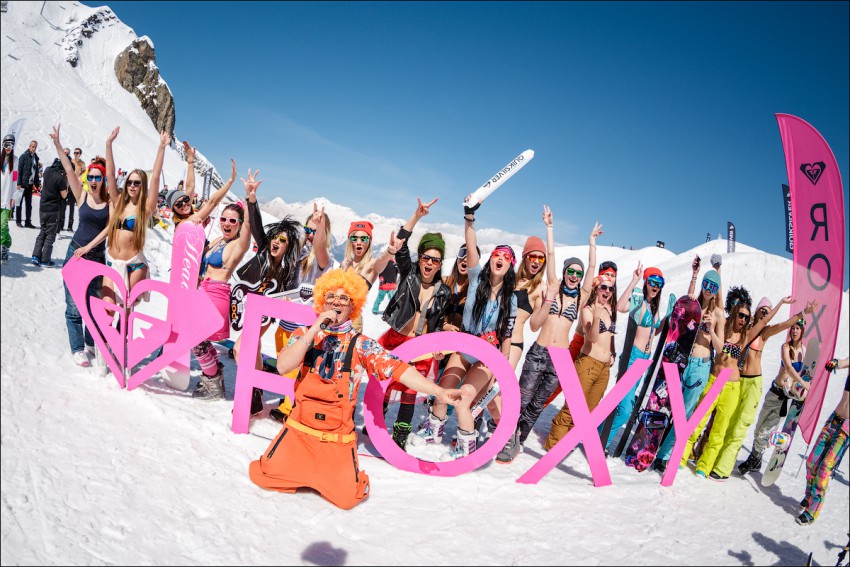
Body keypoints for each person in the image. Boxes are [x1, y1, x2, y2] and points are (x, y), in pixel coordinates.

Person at [248, 268, 464, 509]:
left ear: (353, 306)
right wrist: (315, 328)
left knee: (347, 498)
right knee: (264, 475)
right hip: (299, 433)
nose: (336, 302)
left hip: (335, 440)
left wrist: (438, 391)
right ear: (322, 301)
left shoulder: (361, 345)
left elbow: (399, 369)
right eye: (331, 296)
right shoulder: (305, 334)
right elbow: (283, 365)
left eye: (344, 298)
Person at [411, 197, 517, 459]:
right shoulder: (476, 279)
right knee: (443, 391)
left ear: (510, 266)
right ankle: (432, 433)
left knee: (463, 398)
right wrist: (469, 217)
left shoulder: (511, 299)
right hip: (464, 346)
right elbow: (470, 245)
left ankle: (465, 447)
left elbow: (507, 336)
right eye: (497, 255)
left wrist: (501, 368)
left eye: (506, 257)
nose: (500, 258)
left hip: (487, 356)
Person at [494, 220, 601, 464]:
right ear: (564, 272)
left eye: (578, 273)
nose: (574, 276)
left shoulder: (582, 296)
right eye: (571, 271)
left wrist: (592, 242)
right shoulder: (553, 287)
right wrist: (550, 228)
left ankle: (518, 440)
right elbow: (550, 255)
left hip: (560, 359)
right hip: (539, 351)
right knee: (522, 398)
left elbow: (592, 266)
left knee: (537, 404)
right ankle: (507, 435)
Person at [677, 291, 789, 480]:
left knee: (719, 430)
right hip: (715, 380)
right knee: (697, 421)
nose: (743, 320)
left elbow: (764, 321)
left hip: (732, 387)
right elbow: (719, 302)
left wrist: (781, 303)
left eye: (746, 317)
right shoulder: (724, 327)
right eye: (741, 315)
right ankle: (681, 457)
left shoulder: (746, 336)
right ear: (735, 314)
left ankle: (705, 466)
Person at [378, 197, 452, 448]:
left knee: (410, 392)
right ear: (419, 258)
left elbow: (438, 324)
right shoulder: (409, 274)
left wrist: (439, 344)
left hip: (420, 348)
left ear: (440, 264)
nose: (429, 263)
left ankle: (400, 435)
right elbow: (400, 244)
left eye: (435, 260)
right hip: (396, 340)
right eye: (426, 257)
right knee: (386, 384)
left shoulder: (444, 292)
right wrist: (416, 216)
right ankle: (376, 422)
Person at [652, 258, 726, 471]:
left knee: (684, 413)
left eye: (713, 287)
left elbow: (720, 348)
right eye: (706, 284)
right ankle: (652, 445)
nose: (708, 289)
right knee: (666, 405)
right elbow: (685, 304)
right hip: (682, 361)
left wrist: (711, 329)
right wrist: (694, 275)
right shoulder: (695, 305)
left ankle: (664, 456)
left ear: (717, 290)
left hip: (700, 366)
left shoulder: (718, 314)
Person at [732, 297, 818, 475]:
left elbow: (807, 375)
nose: (794, 330)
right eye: (793, 328)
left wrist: (802, 388)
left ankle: (753, 458)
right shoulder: (785, 347)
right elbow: (788, 367)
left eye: (798, 328)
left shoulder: (804, 352)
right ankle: (758, 459)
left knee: (764, 431)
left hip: (784, 397)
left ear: (803, 331)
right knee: (758, 428)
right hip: (772, 391)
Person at [189, 169, 253, 401]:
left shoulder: (237, 245)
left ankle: (213, 382)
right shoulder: (217, 240)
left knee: (196, 339)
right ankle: (214, 378)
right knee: (198, 339)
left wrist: (250, 199)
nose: (226, 223)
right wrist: (198, 223)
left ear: (239, 224)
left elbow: (248, 228)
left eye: (232, 221)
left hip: (217, 294)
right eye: (224, 219)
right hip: (202, 291)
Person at [544, 255, 619, 451]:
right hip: (588, 363)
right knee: (573, 408)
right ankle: (553, 446)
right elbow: (592, 338)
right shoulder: (588, 309)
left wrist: (612, 353)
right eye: (603, 287)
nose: (607, 291)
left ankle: (567, 442)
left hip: (604, 368)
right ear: (596, 289)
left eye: (610, 288)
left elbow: (609, 336)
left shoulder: (611, 310)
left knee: (588, 412)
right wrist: (596, 317)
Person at [50, 125, 110, 367]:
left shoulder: (110, 202)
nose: (93, 180)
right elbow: (68, 168)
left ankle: (90, 342)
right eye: (91, 177)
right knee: (74, 305)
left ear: (104, 179)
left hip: (97, 257)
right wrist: (57, 143)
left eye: (98, 177)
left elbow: (109, 229)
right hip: (76, 253)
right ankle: (77, 348)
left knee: (95, 304)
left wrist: (90, 247)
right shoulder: (82, 195)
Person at [600, 264, 668, 451]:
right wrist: (634, 280)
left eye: (659, 283)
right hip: (633, 358)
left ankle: (597, 433)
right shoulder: (638, 302)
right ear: (646, 282)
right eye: (652, 281)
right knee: (625, 409)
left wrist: (665, 319)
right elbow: (620, 306)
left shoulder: (654, 308)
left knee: (619, 402)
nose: (655, 286)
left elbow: (652, 333)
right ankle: (602, 442)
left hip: (644, 361)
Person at [797, 357, 849, 525]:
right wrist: (835, 363)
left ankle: (811, 512)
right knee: (812, 461)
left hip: (846, 429)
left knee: (825, 468)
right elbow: (843, 362)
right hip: (834, 419)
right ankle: (809, 496)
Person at [30, 154, 68, 266]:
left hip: (43, 206)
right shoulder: (60, 178)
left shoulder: (47, 171)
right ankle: (45, 259)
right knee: (50, 234)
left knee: (43, 231)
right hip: (53, 208)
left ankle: (35, 256)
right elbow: (64, 195)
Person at [1, 134, 19, 262]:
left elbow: (14, 180)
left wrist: (13, 196)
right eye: (7, 145)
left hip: (6, 198)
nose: (9, 148)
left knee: (3, 226)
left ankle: (5, 246)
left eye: (11, 145)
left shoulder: (15, 160)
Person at [15, 139, 39, 228]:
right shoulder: (24, 156)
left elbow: (36, 172)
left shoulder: (36, 158)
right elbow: (19, 170)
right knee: (19, 203)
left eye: (35, 147)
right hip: (22, 184)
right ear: (29, 146)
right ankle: (18, 221)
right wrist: (18, 183)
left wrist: (37, 183)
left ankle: (28, 222)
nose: (34, 148)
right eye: (32, 146)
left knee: (29, 204)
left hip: (30, 184)